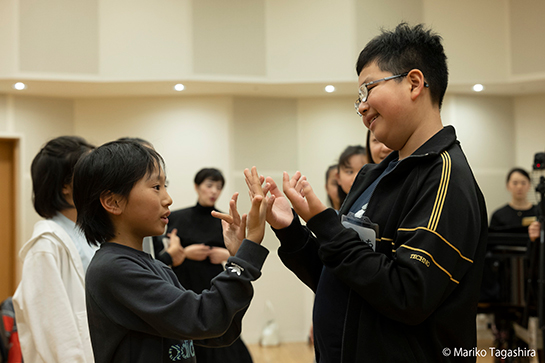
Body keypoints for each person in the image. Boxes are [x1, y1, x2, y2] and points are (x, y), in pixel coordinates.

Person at [245, 22, 488, 362]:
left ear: (414, 83)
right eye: (359, 97)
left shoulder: (445, 177)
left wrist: (325, 222)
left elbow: (407, 295)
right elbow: (343, 277)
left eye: (368, 89)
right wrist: (291, 229)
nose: (361, 107)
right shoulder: (374, 175)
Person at [72, 140, 270, 363]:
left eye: (165, 186)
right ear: (113, 202)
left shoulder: (155, 266)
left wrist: (237, 257)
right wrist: (246, 254)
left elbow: (220, 330)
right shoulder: (113, 269)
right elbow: (204, 318)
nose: (168, 199)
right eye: (156, 187)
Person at [154, 168, 254, 363]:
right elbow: (163, 255)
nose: (213, 191)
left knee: (220, 335)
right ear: (197, 187)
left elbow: (238, 250)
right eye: (209, 186)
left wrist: (225, 254)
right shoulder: (176, 217)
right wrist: (186, 252)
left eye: (218, 187)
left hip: (212, 282)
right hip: (184, 283)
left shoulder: (224, 220)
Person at [13, 136, 96, 363]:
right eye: (92, 173)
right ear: (65, 187)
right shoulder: (45, 245)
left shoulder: (92, 234)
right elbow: (55, 330)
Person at [489, 168, 537, 233]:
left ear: (529, 185)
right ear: (508, 186)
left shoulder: (539, 213)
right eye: (515, 183)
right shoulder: (498, 215)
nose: (519, 187)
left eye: (523, 183)